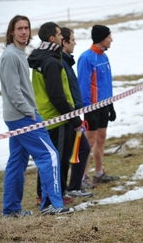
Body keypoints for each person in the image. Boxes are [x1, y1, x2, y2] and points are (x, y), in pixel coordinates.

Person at [0, 15, 73, 217]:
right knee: (49, 155)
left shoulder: (19, 53)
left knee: (17, 161)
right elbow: (14, 92)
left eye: (26, 28)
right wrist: (30, 112)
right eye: (19, 28)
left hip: (19, 116)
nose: (23, 32)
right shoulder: (11, 56)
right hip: (23, 117)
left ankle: (11, 210)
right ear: (11, 32)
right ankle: (52, 204)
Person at [28, 21, 86, 213]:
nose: (63, 37)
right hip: (56, 118)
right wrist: (73, 118)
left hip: (47, 116)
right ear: (52, 38)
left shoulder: (43, 57)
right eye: (60, 34)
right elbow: (56, 96)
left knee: (50, 159)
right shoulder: (51, 62)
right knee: (57, 160)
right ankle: (54, 197)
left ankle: (44, 195)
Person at [77, 24, 119, 188]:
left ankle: (99, 172)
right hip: (91, 107)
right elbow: (83, 85)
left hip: (104, 105)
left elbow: (107, 83)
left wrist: (111, 104)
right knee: (89, 141)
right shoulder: (86, 58)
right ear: (102, 38)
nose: (111, 40)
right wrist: (88, 108)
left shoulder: (104, 56)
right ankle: (82, 176)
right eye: (109, 37)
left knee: (101, 139)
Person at [60, 27, 93, 198]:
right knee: (78, 150)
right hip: (68, 116)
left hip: (73, 114)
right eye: (72, 39)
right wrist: (73, 116)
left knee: (81, 149)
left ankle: (72, 186)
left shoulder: (66, 61)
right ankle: (69, 188)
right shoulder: (61, 63)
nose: (75, 43)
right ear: (64, 42)